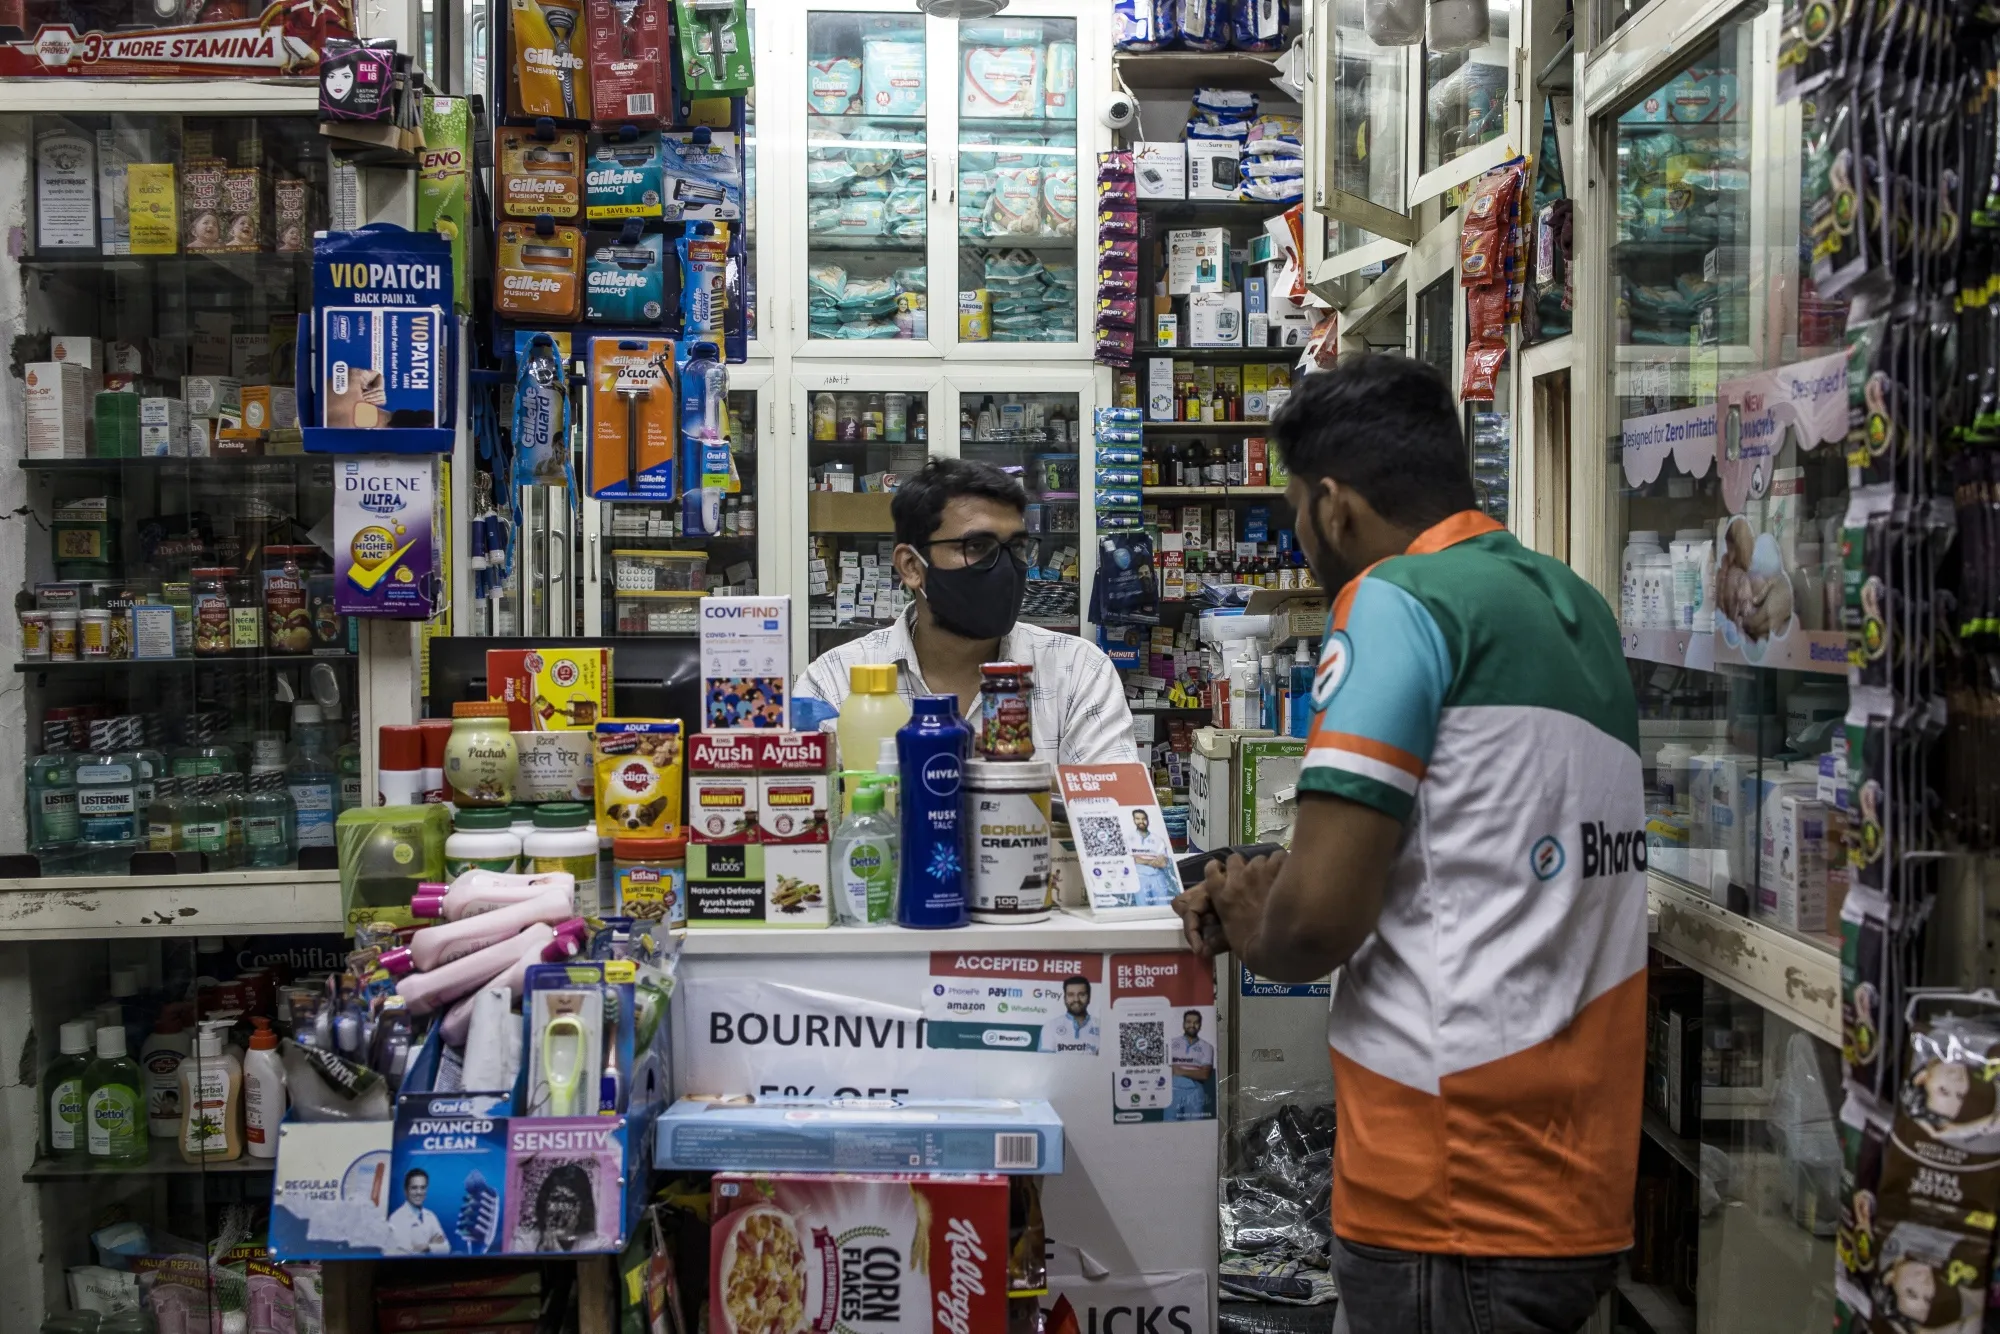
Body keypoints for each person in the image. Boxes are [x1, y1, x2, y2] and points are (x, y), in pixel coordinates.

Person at [1172, 354, 1646, 1334]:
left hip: (1449, 1181)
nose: (1298, 534)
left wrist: (1256, 919)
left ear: (1333, 505)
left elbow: (1312, 927)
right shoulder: (1575, 611)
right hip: (1577, 1177)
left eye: (1295, 508)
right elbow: (1469, 861)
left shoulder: (1394, 603)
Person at [795, 458, 1138, 765]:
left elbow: (1114, 819)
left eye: (1016, 547)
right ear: (912, 566)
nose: (1005, 567)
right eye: (977, 546)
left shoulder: (1078, 672)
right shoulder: (834, 684)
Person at [386, 1168, 451, 1254]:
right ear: (406, 1190)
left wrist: (427, 1247)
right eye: (414, 1188)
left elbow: (447, 1248)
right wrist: (434, 1246)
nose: (419, 1192)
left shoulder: (430, 1216)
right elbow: (404, 1255)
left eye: (423, 1187)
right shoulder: (396, 1219)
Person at [1125, 807, 1182, 907]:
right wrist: (1151, 861)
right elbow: (1129, 860)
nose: (1141, 821)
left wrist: (1139, 860)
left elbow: (1163, 863)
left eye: (1143, 818)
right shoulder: (1128, 839)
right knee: (1142, 909)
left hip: (1157, 878)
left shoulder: (1158, 839)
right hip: (1139, 878)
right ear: (1134, 820)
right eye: (1137, 818)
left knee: (1163, 907)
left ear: (1147, 819)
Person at [1167, 1010, 1215, 1120]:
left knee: (1195, 1129)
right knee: (1169, 1129)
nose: (1192, 1025)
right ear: (1183, 1024)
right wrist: (1194, 1072)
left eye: (1196, 1022)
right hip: (1172, 1092)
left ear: (1200, 1025)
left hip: (1195, 1093)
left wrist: (1179, 1071)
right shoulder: (1171, 1043)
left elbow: (1204, 1074)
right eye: (1188, 1022)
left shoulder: (1207, 1047)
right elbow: (1165, 1070)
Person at [1039, 975, 1100, 1054]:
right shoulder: (1050, 1027)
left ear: (1089, 998)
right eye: (1071, 995)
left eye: (1081, 994)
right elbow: (1046, 1061)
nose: (1076, 999)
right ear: (1065, 999)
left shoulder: (1102, 1027)